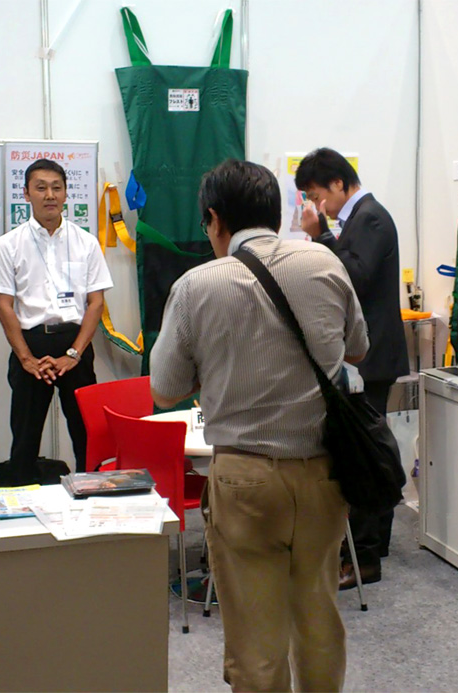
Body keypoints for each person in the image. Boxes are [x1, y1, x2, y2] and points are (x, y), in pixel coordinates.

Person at [149, 159, 368, 692]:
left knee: (254, 634)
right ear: (275, 213)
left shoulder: (197, 285)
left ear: (215, 219)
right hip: (323, 473)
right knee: (317, 613)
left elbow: (164, 386)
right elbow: (357, 348)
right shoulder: (323, 264)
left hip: (244, 479)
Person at [296, 147, 409, 590]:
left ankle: (365, 555)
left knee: (366, 454)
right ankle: (367, 547)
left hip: (373, 356)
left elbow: (353, 277)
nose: (314, 205)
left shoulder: (372, 218)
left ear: (339, 185)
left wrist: (322, 236)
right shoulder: (359, 219)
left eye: (316, 194)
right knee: (365, 450)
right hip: (365, 354)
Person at [0, 158, 112, 483]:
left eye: (57, 187)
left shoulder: (86, 242)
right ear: (26, 193)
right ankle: (23, 512)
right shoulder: (9, 244)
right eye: (40, 187)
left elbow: (96, 303)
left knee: (87, 433)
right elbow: (3, 306)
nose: (49, 194)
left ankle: (91, 500)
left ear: (66, 193)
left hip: (75, 345)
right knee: (25, 436)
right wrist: (26, 359)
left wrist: (74, 355)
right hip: (31, 346)